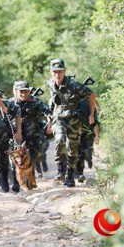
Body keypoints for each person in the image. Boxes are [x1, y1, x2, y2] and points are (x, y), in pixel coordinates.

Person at [45, 59, 96, 188]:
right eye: (55, 72)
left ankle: (70, 175)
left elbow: (91, 95)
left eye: (60, 71)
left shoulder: (74, 85)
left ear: (64, 71)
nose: (57, 74)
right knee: (60, 140)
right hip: (59, 119)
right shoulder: (50, 84)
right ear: (51, 72)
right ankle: (60, 170)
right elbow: (52, 102)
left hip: (74, 119)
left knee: (72, 147)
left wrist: (91, 114)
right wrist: (49, 120)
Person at [9, 81, 51, 184]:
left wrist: (49, 119)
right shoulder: (11, 102)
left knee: (32, 157)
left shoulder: (35, 101)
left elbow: (46, 110)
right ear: (16, 92)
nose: (23, 94)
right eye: (21, 92)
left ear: (29, 91)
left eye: (25, 92)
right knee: (16, 157)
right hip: (17, 134)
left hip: (33, 135)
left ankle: (30, 179)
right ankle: (16, 181)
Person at [0, 86, 22, 192]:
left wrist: (18, 131)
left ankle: (16, 180)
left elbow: (17, 111)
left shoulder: (5, 104)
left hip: (6, 135)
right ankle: (2, 179)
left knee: (13, 157)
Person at [75, 98, 100, 182]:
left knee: (87, 152)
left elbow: (95, 123)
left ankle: (89, 160)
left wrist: (97, 136)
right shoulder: (73, 104)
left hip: (87, 133)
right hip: (75, 133)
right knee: (78, 154)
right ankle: (79, 174)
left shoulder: (90, 106)